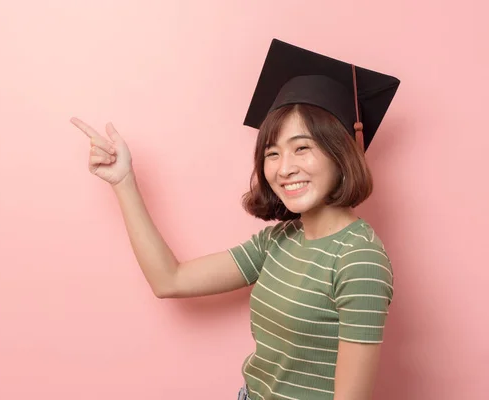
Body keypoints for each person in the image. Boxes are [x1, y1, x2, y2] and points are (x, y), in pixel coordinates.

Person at [70, 39, 400, 400]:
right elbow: (171, 280)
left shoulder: (359, 259)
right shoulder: (279, 240)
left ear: (341, 151)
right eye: (272, 153)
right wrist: (124, 181)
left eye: (302, 147)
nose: (285, 168)